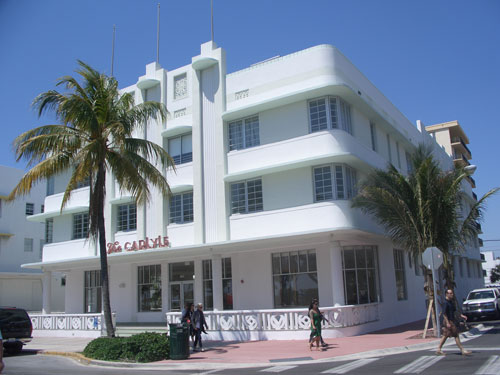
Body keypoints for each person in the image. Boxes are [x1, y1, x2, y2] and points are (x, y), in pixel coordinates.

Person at [436, 289, 471, 356]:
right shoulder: (445, 303)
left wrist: (461, 315)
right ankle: (462, 350)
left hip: (452, 321)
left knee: (446, 335)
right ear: (446, 294)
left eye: (452, 293)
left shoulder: (451, 302)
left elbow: (455, 311)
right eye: (450, 293)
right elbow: (444, 313)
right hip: (449, 321)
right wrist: (447, 322)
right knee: (456, 335)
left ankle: (438, 349)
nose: (452, 294)